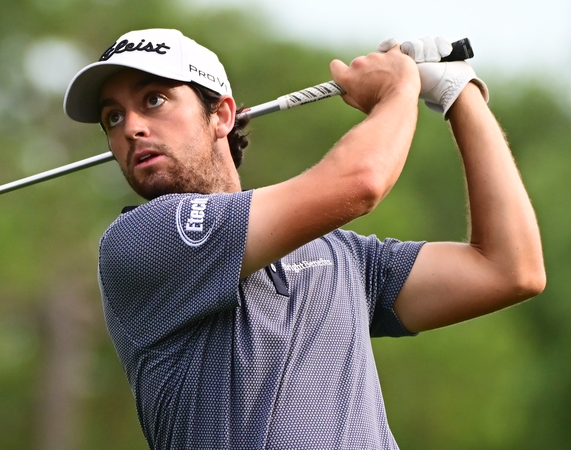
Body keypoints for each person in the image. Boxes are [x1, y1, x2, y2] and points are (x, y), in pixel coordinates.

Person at [63, 28, 545, 449]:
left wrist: (460, 93)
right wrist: (399, 88)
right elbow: (361, 182)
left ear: (222, 115)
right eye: (113, 117)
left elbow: (509, 269)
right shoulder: (140, 243)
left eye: (153, 99)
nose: (132, 128)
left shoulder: (342, 256)